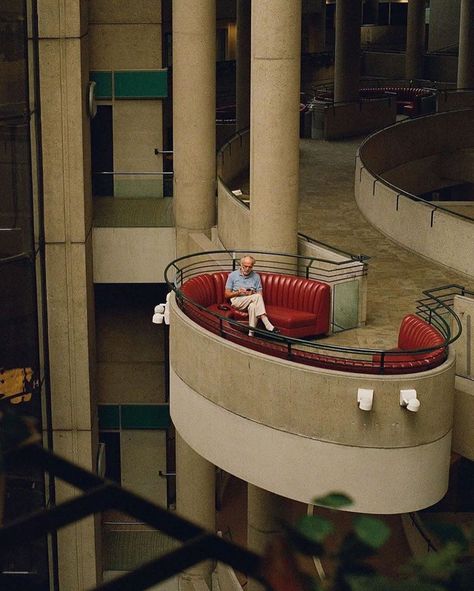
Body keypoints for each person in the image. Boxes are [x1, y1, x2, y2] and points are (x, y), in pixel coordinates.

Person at [224, 255, 279, 336]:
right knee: (257, 297)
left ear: (252, 266)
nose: (247, 269)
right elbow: (226, 295)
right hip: (237, 300)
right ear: (241, 265)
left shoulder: (256, 276)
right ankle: (266, 322)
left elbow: (260, 294)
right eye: (245, 266)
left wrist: (252, 294)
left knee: (253, 306)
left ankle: (251, 333)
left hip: (251, 300)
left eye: (250, 267)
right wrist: (238, 292)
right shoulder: (232, 275)